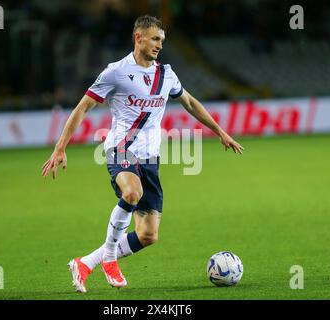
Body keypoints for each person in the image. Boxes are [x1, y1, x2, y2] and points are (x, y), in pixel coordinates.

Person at [41, 15, 244, 293]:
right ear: (139, 38)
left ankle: (85, 262)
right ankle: (111, 257)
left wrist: (220, 131)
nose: (160, 45)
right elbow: (83, 107)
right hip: (120, 150)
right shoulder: (116, 72)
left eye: (162, 40)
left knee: (148, 235)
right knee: (131, 193)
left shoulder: (166, 74)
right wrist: (60, 147)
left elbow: (190, 102)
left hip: (150, 158)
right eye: (155, 39)